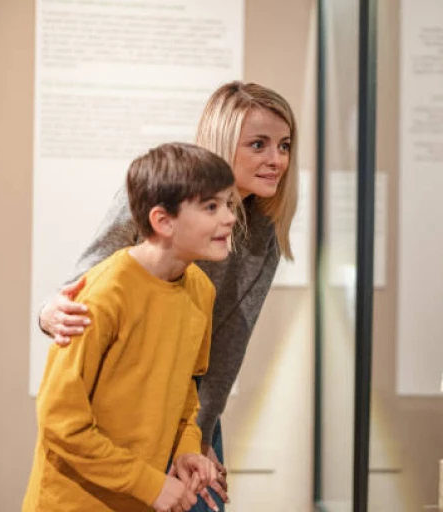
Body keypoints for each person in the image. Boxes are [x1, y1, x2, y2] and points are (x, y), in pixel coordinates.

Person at [37, 81, 298, 511]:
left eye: (284, 146)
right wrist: (48, 311)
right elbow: (88, 281)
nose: (276, 160)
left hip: (188, 413)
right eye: (259, 145)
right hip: (125, 411)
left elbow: (222, 354)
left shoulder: (262, 235)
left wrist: (198, 438)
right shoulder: (161, 195)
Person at [23, 142, 236, 511]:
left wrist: (186, 451)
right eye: (211, 207)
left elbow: (187, 390)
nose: (230, 218)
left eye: (229, 204)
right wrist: (149, 483)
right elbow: (60, 420)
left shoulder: (201, 290)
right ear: (163, 221)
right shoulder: (102, 294)